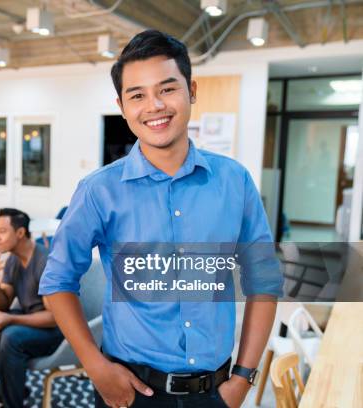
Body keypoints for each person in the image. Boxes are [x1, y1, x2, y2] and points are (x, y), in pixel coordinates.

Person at [39, 30, 283, 408]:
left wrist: (243, 378)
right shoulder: (98, 190)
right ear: (122, 106)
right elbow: (57, 281)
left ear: (192, 91)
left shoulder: (235, 181)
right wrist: (95, 365)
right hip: (130, 392)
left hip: (216, 393)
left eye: (167, 89)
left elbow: (264, 281)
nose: (154, 106)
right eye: (137, 95)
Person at [0, 208, 63, 408]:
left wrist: (11, 320)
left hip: (56, 332)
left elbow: (54, 318)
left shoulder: (45, 262)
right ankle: (15, 386)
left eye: (2, 231)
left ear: (20, 233)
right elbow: (3, 304)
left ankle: (12, 402)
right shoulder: (13, 259)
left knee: (11, 335)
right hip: (31, 319)